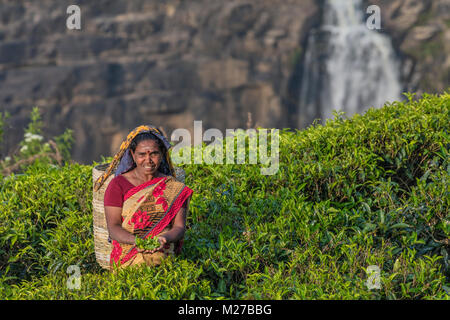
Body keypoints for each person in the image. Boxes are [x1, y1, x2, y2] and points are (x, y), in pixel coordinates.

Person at [93, 125, 193, 269]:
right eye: (142, 154)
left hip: (163, 257)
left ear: (162, 154)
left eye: (154, 154)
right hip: (127, 258)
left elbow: (179, 227)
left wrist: (164, 239)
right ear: (133, 155)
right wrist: (137, 241)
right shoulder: (118, 185)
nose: (148, 160)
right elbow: (113, 227)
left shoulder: (173, 187)